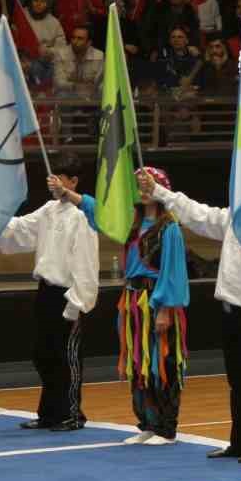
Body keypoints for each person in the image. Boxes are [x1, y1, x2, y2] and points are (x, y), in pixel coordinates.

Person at [142, 167, 241, 464]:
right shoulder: (230, 221)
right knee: (237, 381)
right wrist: (158, 191)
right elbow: (195, 213)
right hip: (230, 313)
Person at [59, 166, 190, 445]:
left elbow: (173, 271)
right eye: (139, 187)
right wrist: (69, 194)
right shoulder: (130, 224)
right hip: (132, 302)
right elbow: (101, 214)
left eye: (149, 186)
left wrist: (165, 308)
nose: (143, 191)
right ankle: (148, 423)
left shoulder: (169, 228)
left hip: (155, 300)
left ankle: (166, 428)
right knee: (138, 364)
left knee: (161, 364)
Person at [0, 158, 100, 431]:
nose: (53, 183)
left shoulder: (83, 215)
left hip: (68, 294)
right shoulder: (49, 209)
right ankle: (50, 413)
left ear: (73, 181)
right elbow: (19, 229)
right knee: (43, 354)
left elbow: (86, 261)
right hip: (46, 291)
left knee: (67, 357)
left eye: (60, 178)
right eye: (52, 177)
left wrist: (78, 301)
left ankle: (72, 414)